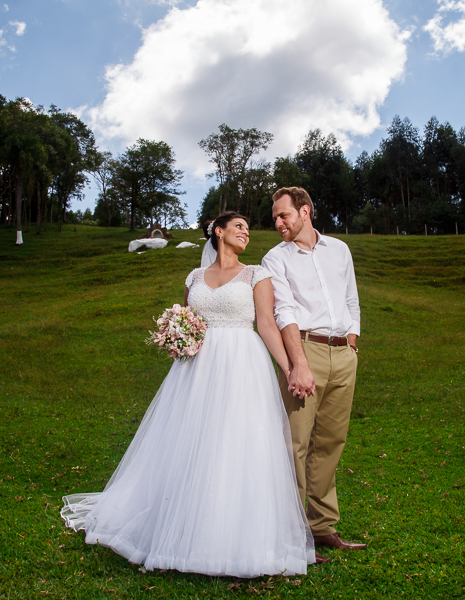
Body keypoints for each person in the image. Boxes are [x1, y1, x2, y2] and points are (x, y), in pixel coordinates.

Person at [61, 211, 317, 578]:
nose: (246, 232)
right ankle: (176, 523)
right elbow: (186, 316)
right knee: (190, 439)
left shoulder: (257, 275)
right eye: (239, 227)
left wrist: (290, 368)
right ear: (218, 231)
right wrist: (175, 334)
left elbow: (265, 324)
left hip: (241, 365)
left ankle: (230, 536)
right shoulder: (195, 277)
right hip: (194, 369)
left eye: (248, 228)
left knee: (234, 443)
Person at [260, 187, 367, 554]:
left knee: (330, 442)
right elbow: (283, 311)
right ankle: (291, 535)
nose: (278, 223)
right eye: (275, 217)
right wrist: (298, 365)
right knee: (295, 444)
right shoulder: (275, 259)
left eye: (283, 215)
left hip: (343, 353)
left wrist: (352, 339)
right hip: (304, 351)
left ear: (304, 212)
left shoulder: (339, 249)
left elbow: (351, 297)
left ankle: (322, 527)